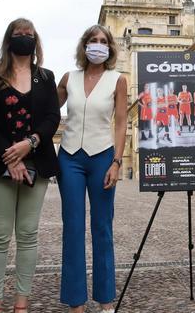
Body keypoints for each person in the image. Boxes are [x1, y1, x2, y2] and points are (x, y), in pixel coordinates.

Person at [0, 19, 61, 313]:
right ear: (9, 39)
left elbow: (52, 117)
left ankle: (21, 303)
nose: (24, 38)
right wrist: (10, 156)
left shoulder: (46, 77)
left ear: (35, 40)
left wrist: (30, 144)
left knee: (27, 234)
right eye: (18, 34)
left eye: (29, 34)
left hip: (37, 161)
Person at [56, 25, 128, 313]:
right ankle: (76, 302)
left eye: (103, 41)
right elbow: (47, 111)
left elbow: (121, 122)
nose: (97, 45)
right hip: (69, 156)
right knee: (72, 228)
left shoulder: (117, 80)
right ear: (84, 45)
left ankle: (106, 299)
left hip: (102, 157)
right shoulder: (68, 78)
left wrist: (117, 161)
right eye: (92, 40)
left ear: (110, 48)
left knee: (102, 228)